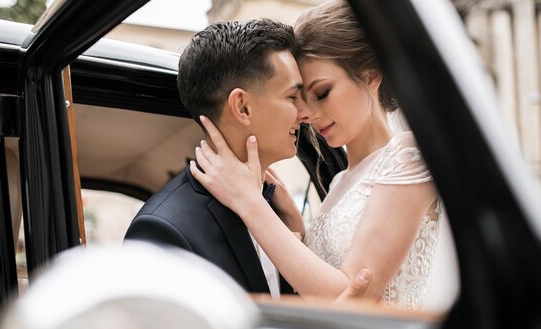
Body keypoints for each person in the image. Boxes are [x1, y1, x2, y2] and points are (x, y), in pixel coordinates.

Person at [190, 0, 458, 311]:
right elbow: (328, 282)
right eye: (299, 98)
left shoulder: (409, 155)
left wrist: (249, 202)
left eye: (322, 93)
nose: (306, 114)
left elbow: (350, 299)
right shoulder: (340, 179)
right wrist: (297, 228)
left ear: (371, 75)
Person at [124, 18, 372, 299]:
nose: (305, 113)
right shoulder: (165, 230)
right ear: (242, 107)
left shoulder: (275, 207)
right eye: (292, 97)